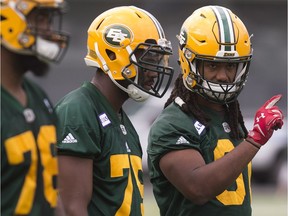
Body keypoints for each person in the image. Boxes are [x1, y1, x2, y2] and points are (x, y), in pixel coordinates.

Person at [147, 5, 284, 216]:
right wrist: (255, 139)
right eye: (212, 66)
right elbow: (198, 188)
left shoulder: (230, 115)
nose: (223, 76)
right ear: (189, 62)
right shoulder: (172, 123)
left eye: (230, 66)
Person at [55, 5, 174, 216]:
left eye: (159, 59)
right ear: (114, 54)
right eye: (149, 58)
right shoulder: (79, 111)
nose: (155, 72)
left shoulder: (121, 119)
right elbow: (71, 208)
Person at [1, 0, 69, 215]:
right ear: (8, 22)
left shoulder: (38, 97)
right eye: (40, 19)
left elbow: (48, 191)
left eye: (49, 21)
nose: (48, 31)